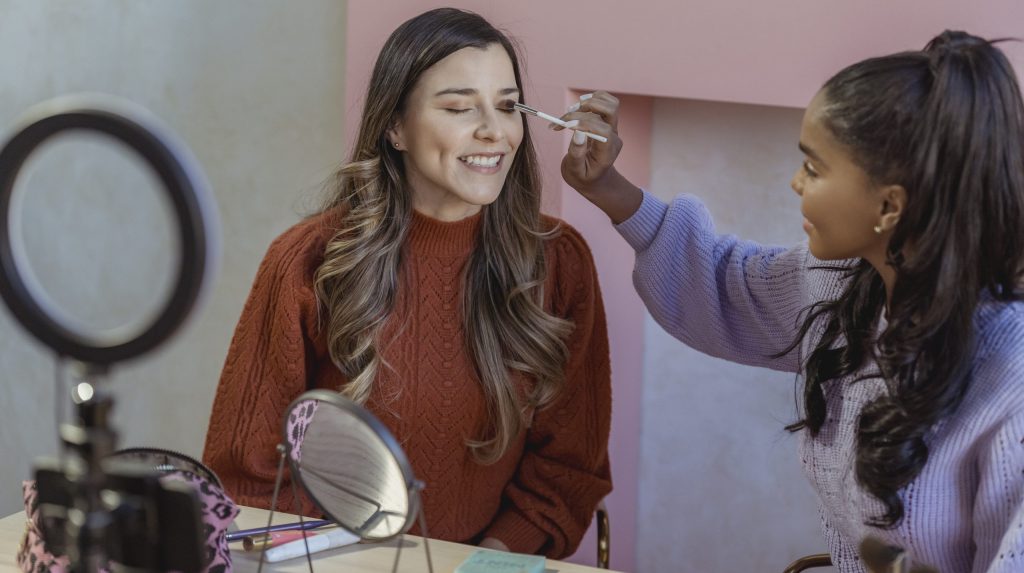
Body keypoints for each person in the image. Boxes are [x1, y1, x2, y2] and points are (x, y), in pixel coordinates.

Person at [559, 31, 1024, 572]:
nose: (796, 182)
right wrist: (608, 188)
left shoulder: (1009, 378)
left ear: (889, 205)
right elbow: (725, 282)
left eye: (815, 167)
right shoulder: (850, 285)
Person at [202, 8, 612, 558]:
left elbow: (566, 476)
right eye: (460, 107)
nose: (494, 131)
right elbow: (245, 477)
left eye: (509, 106)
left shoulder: (561, 263)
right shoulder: (307, 262)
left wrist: (481, 567)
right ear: (395, 126)